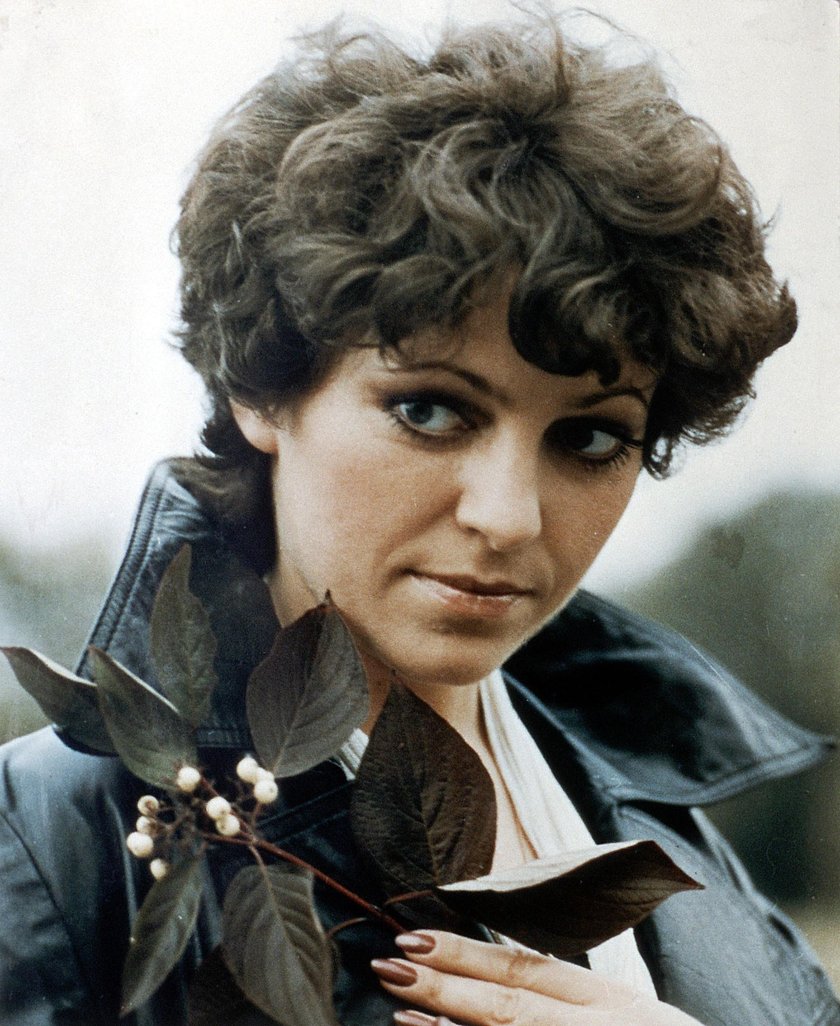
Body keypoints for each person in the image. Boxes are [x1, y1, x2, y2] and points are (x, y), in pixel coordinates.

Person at [0, 12, 837, 1026]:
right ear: (261, 389)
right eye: (430, 411)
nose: (507, 517)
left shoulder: (674, 835)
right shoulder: (51, 850)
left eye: (589, 437)